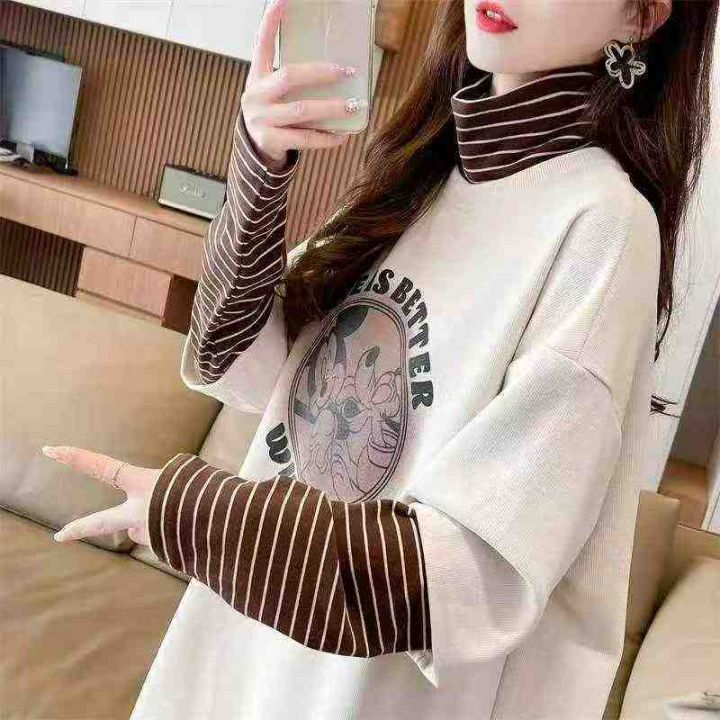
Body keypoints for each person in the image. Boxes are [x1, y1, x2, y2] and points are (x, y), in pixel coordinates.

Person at [44, 0, 718, 717]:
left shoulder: (603, 225)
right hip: (240, 647)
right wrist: (260, 168)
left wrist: (194, 513)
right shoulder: (426, 175)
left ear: (641, 18)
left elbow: (474, 569)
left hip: (362, 694)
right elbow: (243, 364)